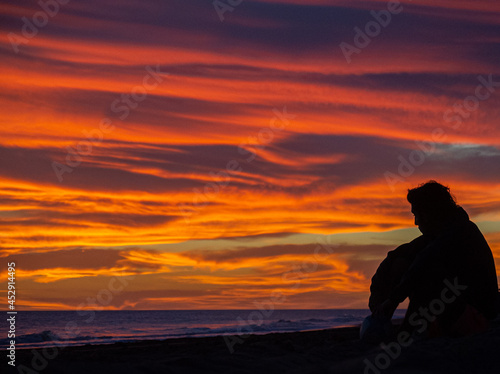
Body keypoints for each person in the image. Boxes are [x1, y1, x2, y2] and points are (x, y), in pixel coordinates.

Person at [361, 181, 498, 342]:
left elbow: (423, 263)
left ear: (429, 214)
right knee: (404, 262)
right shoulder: (441, 234)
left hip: (478, 317)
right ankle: (400, 331)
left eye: (416, 215)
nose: (416, 222)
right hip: (456, 313)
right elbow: (398, 256)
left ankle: (405, 336)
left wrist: (393, 300)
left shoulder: (459, 233)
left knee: (426, 278)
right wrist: (379, 300)